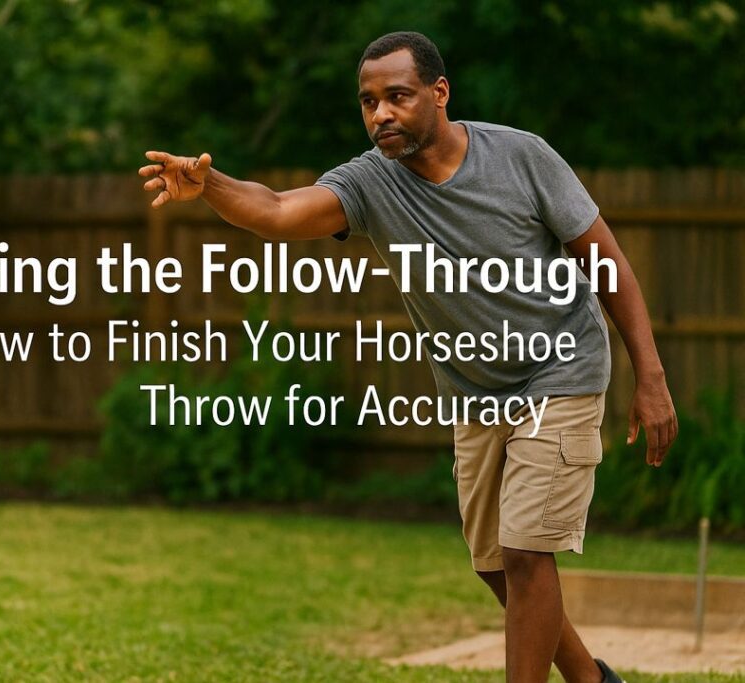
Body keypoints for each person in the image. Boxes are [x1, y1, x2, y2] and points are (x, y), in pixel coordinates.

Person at [138, 30, 677, 683]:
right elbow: (279, 210)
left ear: (439, 92)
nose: (380, 115)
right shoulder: (371, 183)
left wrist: (649, 373)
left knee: (527, 553)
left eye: (396, 96)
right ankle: (593, 680)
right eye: (368, 102)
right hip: (476, 390)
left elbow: (606, 261)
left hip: (560, 366)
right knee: (494, 562)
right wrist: (211, 183)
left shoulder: (521, 157)